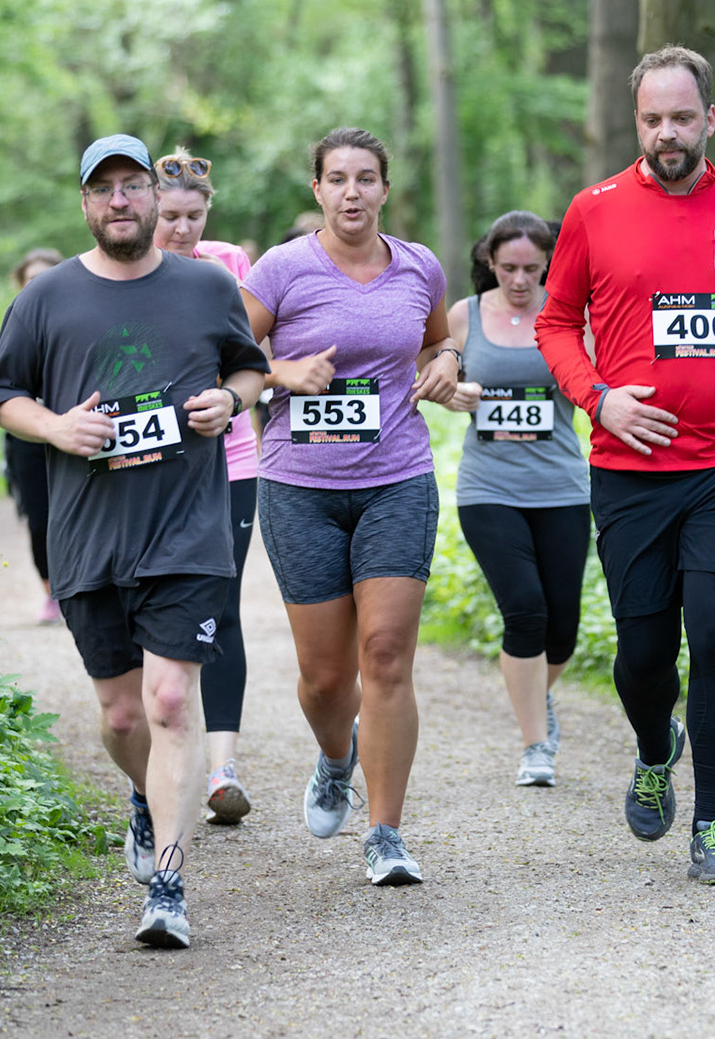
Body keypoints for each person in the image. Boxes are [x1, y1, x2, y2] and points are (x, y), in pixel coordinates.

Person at [0, 133, 268, 949]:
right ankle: (142, 796)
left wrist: (231, 401)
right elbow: (3, 395)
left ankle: (169, 888)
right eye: (102, 188)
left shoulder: (209, 286)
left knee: (171, 699)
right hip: (89, 534)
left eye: (131, 186)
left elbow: (248, 368)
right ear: (85, 203)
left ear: (153, 195)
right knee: (119, 714)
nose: (119, 201)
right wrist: (56, 426)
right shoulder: (47, 298)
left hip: (186, 529)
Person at [536, 45, 715, 886]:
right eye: (652, 119)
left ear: (711, 119)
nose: (667, 134)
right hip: (630, 467)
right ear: (638, 123)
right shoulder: (594, 208)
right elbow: (554, 323)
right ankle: (657, 747)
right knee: (643, 653)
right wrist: (599, 397)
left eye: (682, 118)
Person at [240, 127, 461, 886]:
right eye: (337, 179)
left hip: (396, 478)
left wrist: (447, 365)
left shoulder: (418, 267)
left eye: (366, 179)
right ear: (318, 191)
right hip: (301, 489)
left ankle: (386, 831)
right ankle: (337, 757)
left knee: (388, 655)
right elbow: (228, 359)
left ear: (385, 190)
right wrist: (281, 372)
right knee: (326, 676)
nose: (353, 193)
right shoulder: (281, 270)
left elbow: (437, 344)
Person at [441, 211, 590, 787]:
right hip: (489, 488)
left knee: (563, 631)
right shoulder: (466, 315)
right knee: (525, 610)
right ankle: (535, 745)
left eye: (532, 268)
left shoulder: (569, 313)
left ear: (549, 265)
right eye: (508, 268)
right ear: (488, 263)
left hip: (560, 486)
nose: (520, 280)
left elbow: (598, 381)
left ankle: (536, 699)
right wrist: (453, 393)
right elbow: (430, 378)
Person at [154, 148, 260, 825]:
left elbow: (252, 355)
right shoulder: (126, 270)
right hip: (154, 466)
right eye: (170, 217)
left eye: (194, 216)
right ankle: (165, 764)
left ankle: (222, 772)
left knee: (221, 606)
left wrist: (227, 396)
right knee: (160, 610)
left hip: (231, 460)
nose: (183, 230)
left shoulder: (231, 266)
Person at [1, 247, 63, 625]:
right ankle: (51, 593)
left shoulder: (83, 318)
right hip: (29, 439)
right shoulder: (14, 325)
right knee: (40, 519)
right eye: (31, 281)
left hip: (83, 430)